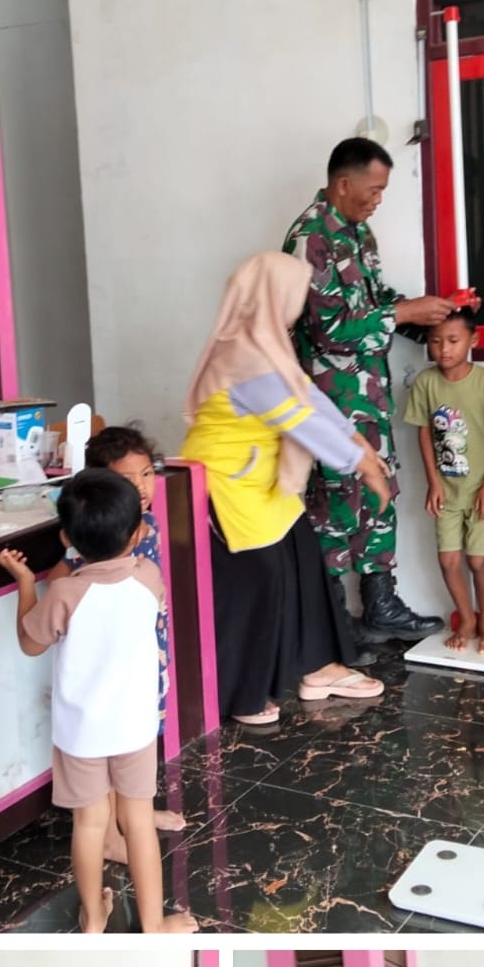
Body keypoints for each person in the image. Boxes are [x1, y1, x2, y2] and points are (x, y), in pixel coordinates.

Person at [177, 252, 388, 725]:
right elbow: (298, 419)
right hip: (225, 491)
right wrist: (362, 465)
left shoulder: (266, 348)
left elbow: (310, 399)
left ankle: (320, 667)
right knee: (258, 586)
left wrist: (359, 444)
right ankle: (242, 694)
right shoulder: (242, 356)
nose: (301, 305)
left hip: (261, 486)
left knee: (304, 565)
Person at [0, 470, 198, 935]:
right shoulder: (149, 577)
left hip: (81, 734)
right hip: (135, 727)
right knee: (138, 823)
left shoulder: (64, 593)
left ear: (67, 538)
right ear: (138, 533)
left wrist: (26, 582)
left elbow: (30, 642)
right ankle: (153, 926)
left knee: (89, 825)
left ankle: (92, 918)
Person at [285, 137, 457, 645]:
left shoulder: (358, 232)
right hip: (329, 397)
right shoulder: (311, 238)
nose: (379, 199)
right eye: (374, 189)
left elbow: (376, 301)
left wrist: (432, 319)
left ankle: (381, 606)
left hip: (368, 396)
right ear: (344, 183)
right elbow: (329, 330)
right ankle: (333, 626)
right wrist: (403, 313)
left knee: (377, 488)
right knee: (335, 503)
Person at [48, 424, 187, 865]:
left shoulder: (146, 524)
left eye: (147, 474)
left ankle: (135, 813)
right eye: (128, 480)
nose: (142, 487)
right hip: (109, 661)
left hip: (145, 650)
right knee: (110, 741)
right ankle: (110, 834)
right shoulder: (103, 535)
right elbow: (59, 576)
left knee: (137, 735)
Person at [405, 309, 484, 654]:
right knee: (448, 560)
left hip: (482, 490)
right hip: (446, 490)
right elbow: (424, 434)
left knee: (478, 562)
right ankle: (467, 620)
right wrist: (433, 483)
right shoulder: (426, 383)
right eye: (436, 341)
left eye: (453, 341)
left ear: (473, 340)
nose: (444, 349)